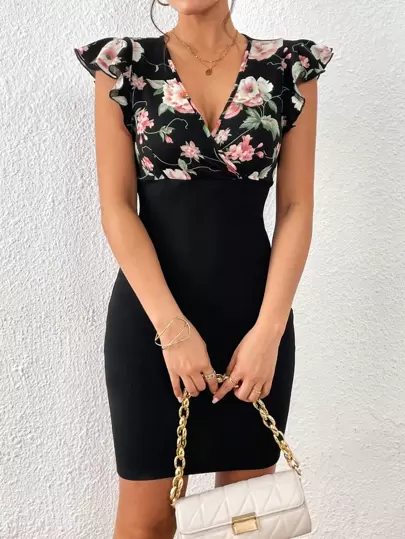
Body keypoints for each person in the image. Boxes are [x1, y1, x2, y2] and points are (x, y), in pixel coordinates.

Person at [73, 0, 333, 537]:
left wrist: (268, 332)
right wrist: (171, 329)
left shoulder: (289, 68)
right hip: (151, 323)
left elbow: (295, 209)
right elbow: (117, 209)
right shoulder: (123, 65)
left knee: (246, 522)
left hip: (256, 326)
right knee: (145, 523)